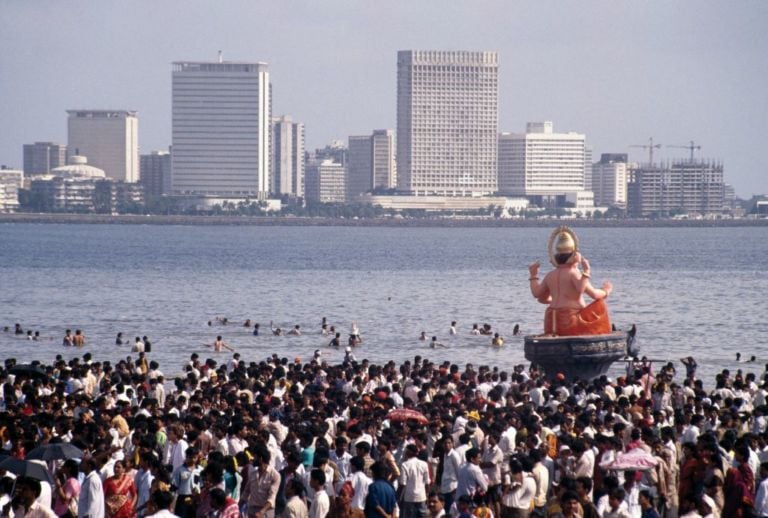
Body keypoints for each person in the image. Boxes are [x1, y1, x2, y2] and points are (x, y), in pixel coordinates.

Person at [528, 226, 613, 336]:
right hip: (570, 322)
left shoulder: (550, 275)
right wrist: (606, 290)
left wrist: (533, 275)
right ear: (574, 257)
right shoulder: (574, 273)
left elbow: (538, 295)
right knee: (601, 303)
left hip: (551, 322)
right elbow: (591, 293)